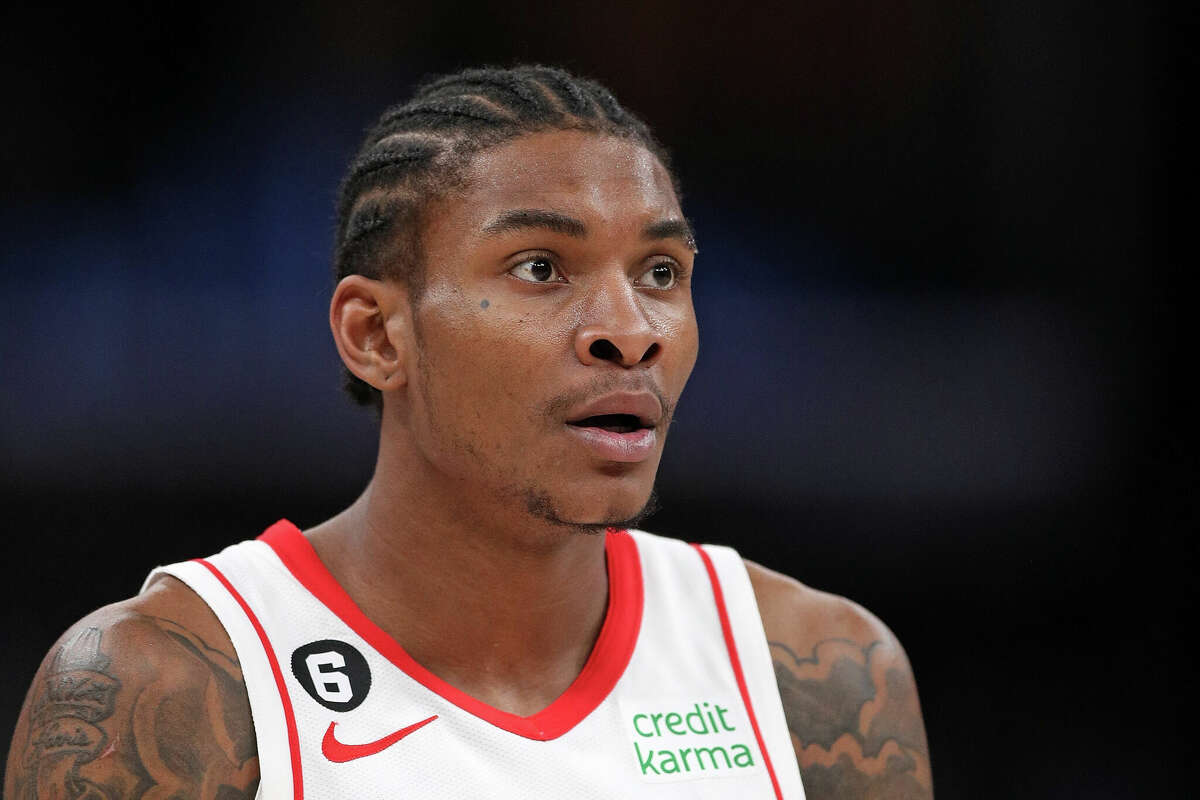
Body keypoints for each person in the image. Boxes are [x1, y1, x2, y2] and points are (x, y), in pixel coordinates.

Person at [4, 65, 932, 800]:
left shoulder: (822, 678)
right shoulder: (170, 687)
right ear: (376, 335)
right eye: (540, 266)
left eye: (660, 271)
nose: (632, 328)